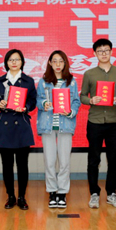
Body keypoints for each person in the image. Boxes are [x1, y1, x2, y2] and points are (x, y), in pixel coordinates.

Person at [80, 38, 116, 209]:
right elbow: (82, 96)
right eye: (100, 51)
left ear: (111, 52)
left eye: (106, 50)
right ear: (95, 54)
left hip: (114, 121)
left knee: (113, 160)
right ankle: (94, 193)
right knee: (94, 159)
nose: (104, 54)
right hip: (95, 121)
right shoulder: (89, 74)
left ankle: (111, 193)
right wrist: (91, 100)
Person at [0, 49, 37, 210]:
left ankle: (22, 197)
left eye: (17, 59)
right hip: (4, 127)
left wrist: (26, 107)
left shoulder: (28, 81)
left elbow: (33, 100)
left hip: (21, 125)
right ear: (6, 63)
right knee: (7, 165)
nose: (14, 62)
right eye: (11, 60)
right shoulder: (0, 81)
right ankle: (10, 196)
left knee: (22, 164)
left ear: (22, 62)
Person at [36, 50, 81, 208]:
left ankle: (62, 193)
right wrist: (44, 104)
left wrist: (70, 112)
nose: (57, 64)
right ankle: (52, 192)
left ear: (65, 63)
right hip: (48, 125)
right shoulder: (43, 82)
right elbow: (38, 99)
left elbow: (76, 101)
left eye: (61, 61)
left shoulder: (71, 82)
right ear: (49, 63)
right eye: (54, 61)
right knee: (49, 161)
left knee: (64, 161)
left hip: (65, 125)